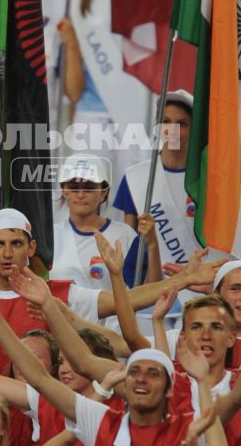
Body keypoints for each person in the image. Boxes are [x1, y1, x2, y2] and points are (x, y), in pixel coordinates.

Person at [115, 88, 200, 276]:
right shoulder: (135, 177)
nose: (173, 130)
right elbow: (129, 240)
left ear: (194, 128)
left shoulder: (205, 179)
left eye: (182, 123)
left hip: (198, 286)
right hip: (148, 284)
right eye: (166, 122)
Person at [51, 155, 137, 296]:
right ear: (64, 191)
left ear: (104, 192)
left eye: (89, 188)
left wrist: (152, 245)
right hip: (57, 317)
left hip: (112, 318)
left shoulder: (125, 235)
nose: (80, 195)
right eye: (73, 188)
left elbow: (144, 289)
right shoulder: (50, 236)